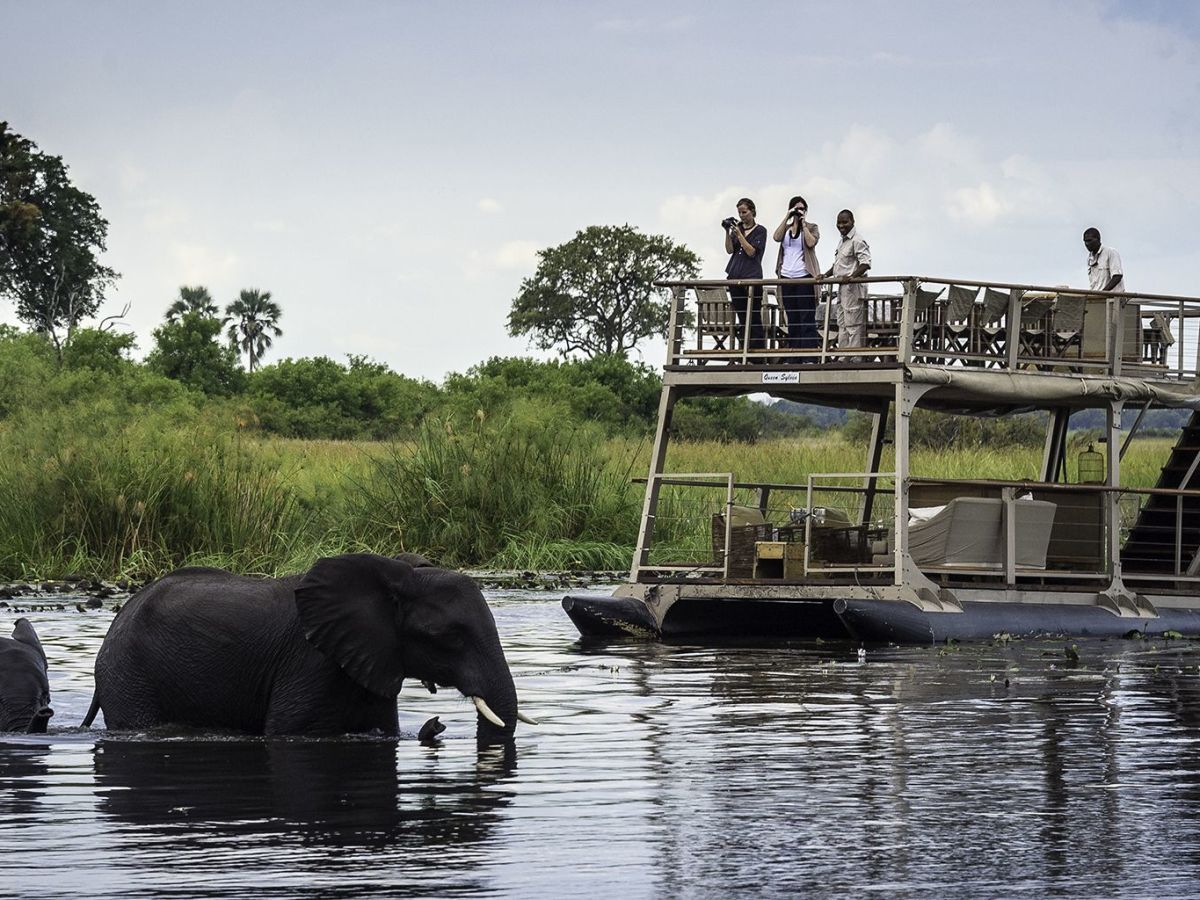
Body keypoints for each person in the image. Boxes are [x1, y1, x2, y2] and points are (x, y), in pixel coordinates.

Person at [772, 195, 821, 351]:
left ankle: (808, 354)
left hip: (804, 277)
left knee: (806, 317)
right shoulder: (785, 230)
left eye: (802, 209)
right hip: (786, 277)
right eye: (796, 208)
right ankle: (794, 353)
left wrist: (803, 224)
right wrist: (788, 216)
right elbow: (776, 237)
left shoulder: (812, 227)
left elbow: (811, 242)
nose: (799, 211)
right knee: (792, 317)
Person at [723, 198, 769, 350]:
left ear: (752, 212)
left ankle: (757, 351)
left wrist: (740, 235)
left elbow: (751, 252)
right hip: (735, 275)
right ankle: (744, 349)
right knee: (742, 316)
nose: (742, 216)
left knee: (754, 315)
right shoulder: (738, 229)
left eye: (744, 212)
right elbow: (730, 250)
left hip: (752, 276)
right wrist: (728, 232)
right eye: (739, 213)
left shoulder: (760, 231)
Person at [822, 209, 871, 350]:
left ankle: (853, 356)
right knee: (842, 323)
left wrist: (852, 277)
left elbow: (865, 263)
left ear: (852, 222)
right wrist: (825, 275)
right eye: (839, 222)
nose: (841, 225)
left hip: (853, 288)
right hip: (841, 288)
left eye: (845, 222)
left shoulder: (857, 240)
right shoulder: (843, 241)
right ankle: (843, 355)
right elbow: (838, 265)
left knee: (853, 324)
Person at [1083, 228, 1126, 293]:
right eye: (1085, 241)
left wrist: (1103, 293)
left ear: (1098, 239)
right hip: (1097, 297)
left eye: (1089, 240)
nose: (1087, 244)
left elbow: (1117, 276)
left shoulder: (1110, 252)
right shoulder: (1090, 259)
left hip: (1112, 298)